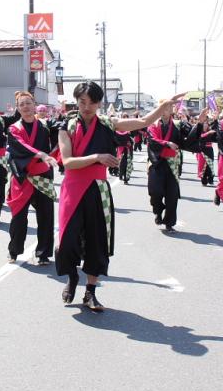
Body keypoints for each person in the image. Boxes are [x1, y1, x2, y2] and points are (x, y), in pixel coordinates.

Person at [57, 83, 184, 310]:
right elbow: (67, 162)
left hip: (98, 189)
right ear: (76, 101)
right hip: (73, 189)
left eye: (92, 102)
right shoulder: (66, 126)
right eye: (82, 102)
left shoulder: (108, 123)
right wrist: (97, 157)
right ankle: (72, 276)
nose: (86, 107)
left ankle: (90, 292)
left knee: (98, 240)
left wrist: (164, 105)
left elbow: (143, 121)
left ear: (99, 103)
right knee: (67, 241)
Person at [6, 91, 61, 264]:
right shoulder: (14, 128)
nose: (25, 107)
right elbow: (20, 146)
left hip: (42, 176)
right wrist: (41, 154)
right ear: (17, 108)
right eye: (21, 104)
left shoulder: (45, 125)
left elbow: (62, 130)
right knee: (18, 218)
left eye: (28, 103)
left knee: (46, 217)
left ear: (34, 105)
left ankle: (43, 254)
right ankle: (14, 251)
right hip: (22, 177)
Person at [146, 101, 205, 232]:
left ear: (172, 110)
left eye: (167, 108)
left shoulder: (178, 124)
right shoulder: (152, 124)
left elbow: (190, 136)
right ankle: (158, 210)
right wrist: (167, 143)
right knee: (155, 192)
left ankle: (169, 222)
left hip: (172, 162)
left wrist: (199, 123)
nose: (165, 110)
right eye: (162, 108)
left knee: (172, 194)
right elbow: (152, 140)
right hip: (156, 162)